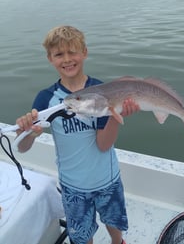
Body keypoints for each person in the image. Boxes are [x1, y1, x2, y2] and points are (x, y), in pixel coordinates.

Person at [16, 25, 140, 244]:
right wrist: (28, 133)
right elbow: (22, 147)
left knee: (114, 223)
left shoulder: (103, 91)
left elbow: (104, 145)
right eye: (59, 54)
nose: (67, 59)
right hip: (73, 186)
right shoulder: (46, 99)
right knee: (82, 237)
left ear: (84, 52)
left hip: (107, 180)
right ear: (50, 58)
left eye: (72, 51)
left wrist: (114, 115)